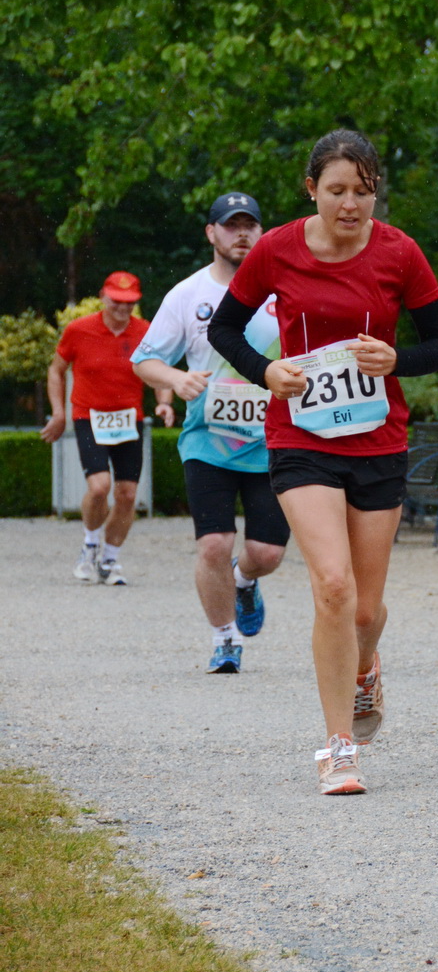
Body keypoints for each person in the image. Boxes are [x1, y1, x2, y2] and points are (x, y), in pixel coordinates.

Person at [209, 129, 438, 795]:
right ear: (311, 188)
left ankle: (366, 664)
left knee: (367, 611)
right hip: (301, 436)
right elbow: (222, 329)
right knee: (334, 587)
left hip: (378, 441)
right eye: (338, 190)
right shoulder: (276, 249)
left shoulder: (401, 252)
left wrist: (398, 359)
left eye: (364, 190)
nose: (351, 204)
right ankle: (338, 744)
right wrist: (267, 369)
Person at [133, 193, 290, 674]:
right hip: (208, 440)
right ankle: (225, 640)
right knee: (214, 545)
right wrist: (176, 379)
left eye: (250, 225)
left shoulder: (283, 294)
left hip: (273, 441)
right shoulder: (187, 294)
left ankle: (244, 580)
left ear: (262, 232)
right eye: (230, 225)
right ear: (211, 233)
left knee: (266, 553)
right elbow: (144, 359)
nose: (241, 233)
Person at [41, 271, 174, 586]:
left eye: (129, 303)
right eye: (116, 301)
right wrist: (59, 413)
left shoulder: (146, 332)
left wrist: (165, 401)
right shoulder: (79, 330)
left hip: (130, 419)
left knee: (127, 495)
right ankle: (90, 544)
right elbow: (56, 370)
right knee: (99, 487)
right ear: (103, 296)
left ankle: (110, 560)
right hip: (89, 416)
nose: (122, 309)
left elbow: (161, 372)